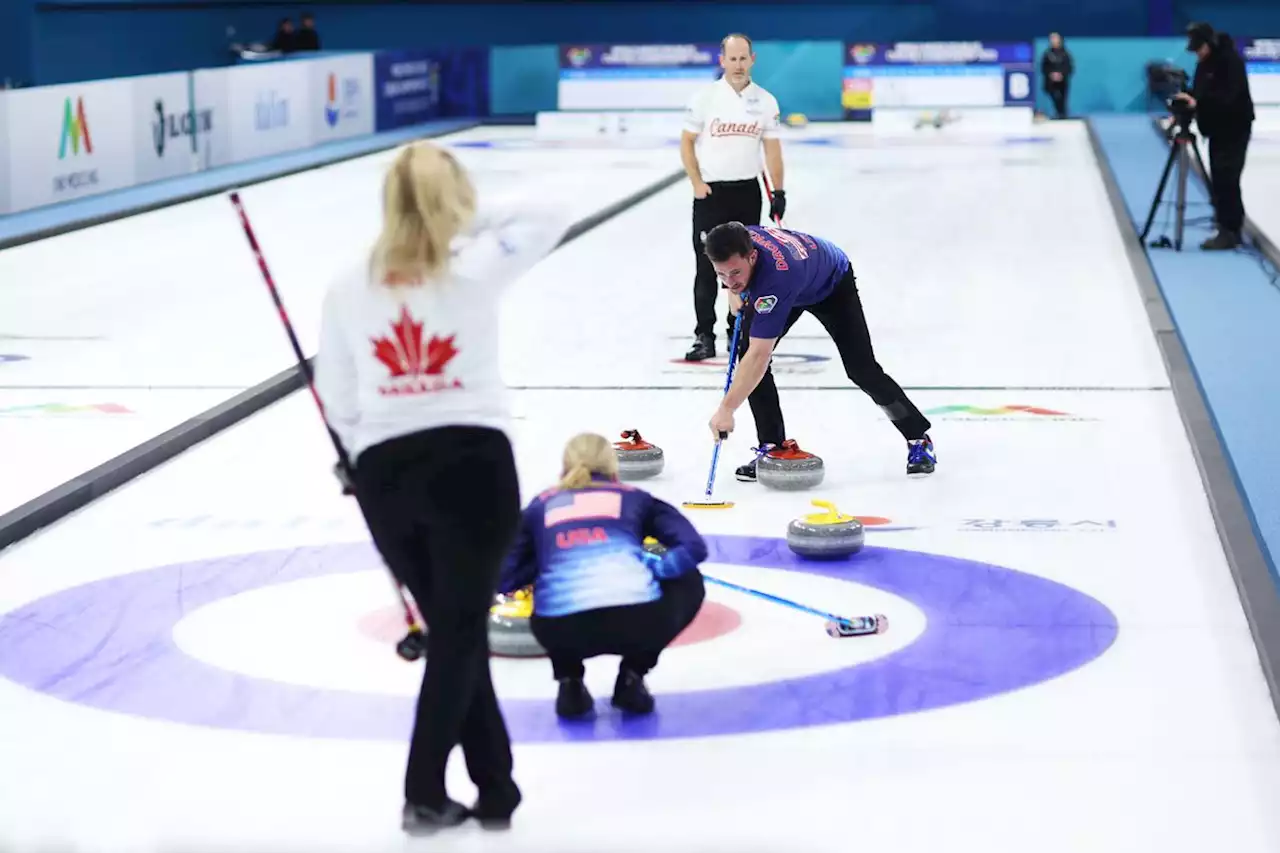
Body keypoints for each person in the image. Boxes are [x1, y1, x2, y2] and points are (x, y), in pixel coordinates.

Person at [314, 141, 573, 834]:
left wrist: (359, 455)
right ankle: (423, 790)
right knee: (460, 630)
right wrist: (459, 215)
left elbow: (335, 392)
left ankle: (496, 786)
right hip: (472, 464)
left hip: (386, 472)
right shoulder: (474, 268)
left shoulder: (349, 285)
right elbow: (553, 211)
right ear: (451, 200)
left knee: (455, 631)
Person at [701, 221, 936, 480]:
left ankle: (918, 438)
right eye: (721, 275)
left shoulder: (775, 280)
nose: (728, 280)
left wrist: (726, 409)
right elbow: (734, 276)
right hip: (796, 279)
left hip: (831, 283)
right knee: (746, 358)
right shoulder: (738, 240)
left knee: (861, 369)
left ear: (753, 256)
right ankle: (773, 446)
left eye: (735, 273)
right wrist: (734, 289)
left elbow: (759, 355)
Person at [498, 433, 708, 719]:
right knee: (690, 581)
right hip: (639, 622)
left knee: (550, 589)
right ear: (613, 468)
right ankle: (633, 676)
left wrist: (545, 563)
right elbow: (694, 547)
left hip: (562, 630)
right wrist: (656, 568)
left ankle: (569, 681)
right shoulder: (636, 499)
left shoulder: (540, 506)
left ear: (564, 467)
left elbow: (503, 577)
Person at [680, 33, 785, 363]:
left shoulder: (766, 102)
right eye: (732, 59)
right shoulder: (705, 99)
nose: (738, 65)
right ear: (721, 61)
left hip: (746, 191)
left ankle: (736, 329)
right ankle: (703, 335)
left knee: (744, 267)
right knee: (706, 266)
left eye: (744, 58)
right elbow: (686, 143)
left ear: (752, 59)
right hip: (711, 193)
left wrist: (778, 192)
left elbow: (772, 150)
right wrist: (696, 182)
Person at [1179, 22, 1255, 250]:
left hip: (1234, 127)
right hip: (1216, 129)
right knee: (1220, 178)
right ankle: (1227, 223)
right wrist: (1189, 98)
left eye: (1200, 48)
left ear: (1209, 43)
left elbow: (1228, 97)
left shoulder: (1231, 62)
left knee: (1227, 177)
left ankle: (1230, 229)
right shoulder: (1204, 62)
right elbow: (1202, 90)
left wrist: (1199, 102)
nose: (1198, 53)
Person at [1041, 33, 1073, 119]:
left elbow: (1069, 68)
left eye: (1055, 39)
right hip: (1051, 82)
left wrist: (1061, 74)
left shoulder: (1065, 54)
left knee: (1062, 98)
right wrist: (1051, 74)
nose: (1053, 41)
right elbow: (1044, 68)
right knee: (1054, 96)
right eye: (1051, 39)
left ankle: (1063, 113)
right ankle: (1058, 112)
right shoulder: (1047, 54)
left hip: (1062, 81)